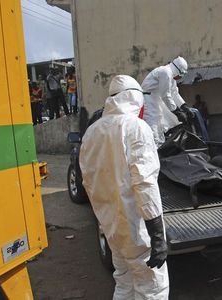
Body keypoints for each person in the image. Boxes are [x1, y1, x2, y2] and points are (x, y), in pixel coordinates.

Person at [79, 75, 169, 299]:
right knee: (152, 288)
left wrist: (105, 217)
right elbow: (145, 182)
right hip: (137, 230)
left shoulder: (91, 132)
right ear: (135, 100)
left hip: (111, 228)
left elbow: (88, 180)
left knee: (124, 282)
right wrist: (157, 234)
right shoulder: (136, 127)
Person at [141, 56, 194, 146]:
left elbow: (174, 93)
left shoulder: (171, 76)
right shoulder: (165, 72)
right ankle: (156, 150)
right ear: (177, 69)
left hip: (156, 100)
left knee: (162, 125)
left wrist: (184, 106)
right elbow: (165, 95)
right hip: (149, 101)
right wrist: (177, 112)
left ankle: (160, 147)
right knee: (153, 125)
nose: (181, 76)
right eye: (181, 73)